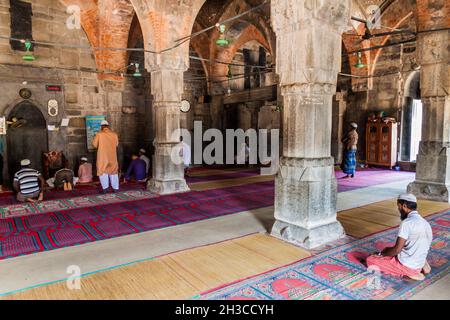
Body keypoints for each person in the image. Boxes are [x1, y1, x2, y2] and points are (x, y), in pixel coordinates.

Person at [366, 194, 433, 281]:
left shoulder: (407, 223)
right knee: (387, 250)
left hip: (409, 266)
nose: (399, 210)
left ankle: (410, 274)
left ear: (404, 206)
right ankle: (423, 265)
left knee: (370, 260)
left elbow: (397, 250)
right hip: (419, 260)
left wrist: (381, 254)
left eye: (399, 207)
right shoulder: (425, 223)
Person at [92, 120, 120, 193]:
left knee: (103, 172)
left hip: (102, 157)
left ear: (101, 127)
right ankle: (115, 188)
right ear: (108, 126)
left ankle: (105, 189)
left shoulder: (99, 134)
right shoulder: (114, 134)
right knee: (113, 172)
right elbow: (116, 144)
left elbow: (94, 145)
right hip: (112, 157)